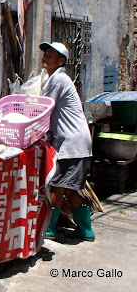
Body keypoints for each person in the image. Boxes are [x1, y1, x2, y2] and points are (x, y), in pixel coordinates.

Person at [39, 41, 94, 241]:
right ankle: (85, 230)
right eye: (45, 54)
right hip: (74, 143)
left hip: (71, 144)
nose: (45, 58)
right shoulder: (56, 79)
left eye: (50, 55)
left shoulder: (58, 79)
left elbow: (43, 108)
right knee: (70, 190)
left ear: (61, 61)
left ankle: (50, 230)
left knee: (57, 187)